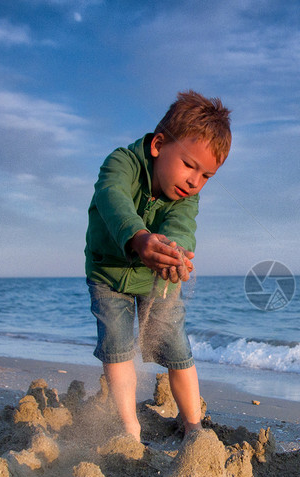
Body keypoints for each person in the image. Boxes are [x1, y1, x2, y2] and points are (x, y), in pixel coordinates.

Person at [84, 90, 231, 441]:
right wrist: (137, 237)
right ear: (158, 146)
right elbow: (112, 198)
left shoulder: (186, 196)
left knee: (175, 343)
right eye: (189, 165)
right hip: (110, 272)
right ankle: (129, 427)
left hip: (157, 276)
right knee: (117, 345)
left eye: (206, 175)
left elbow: (181, 227)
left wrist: (177, 254)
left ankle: (193, 424)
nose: (195, 181)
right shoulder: (121, 163)